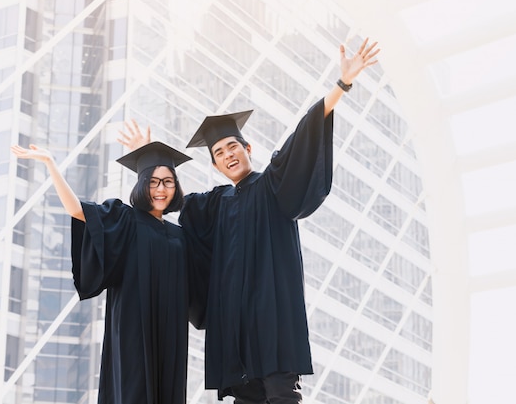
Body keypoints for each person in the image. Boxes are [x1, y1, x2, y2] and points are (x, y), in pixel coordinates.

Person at [119, 38, 380, 404]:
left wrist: (342, 84)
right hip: (234, 330)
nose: (228, 155)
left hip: (273, 320)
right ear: (213, 165)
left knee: (282, 396)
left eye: (233, 147)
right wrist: (145, 160)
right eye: (219, 153)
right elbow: (164, 200)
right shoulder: (213, 204)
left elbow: (304, 134)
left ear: (248, 149)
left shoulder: (272, 184)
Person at [11, 140, 192, 404]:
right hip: (134, 327)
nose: (160, 189)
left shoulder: (180, 235)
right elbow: (77, 210)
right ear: (141, 185)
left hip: (171, 333)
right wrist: (51, 163)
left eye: (167, 181)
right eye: (152, 181)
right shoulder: (125, 218)